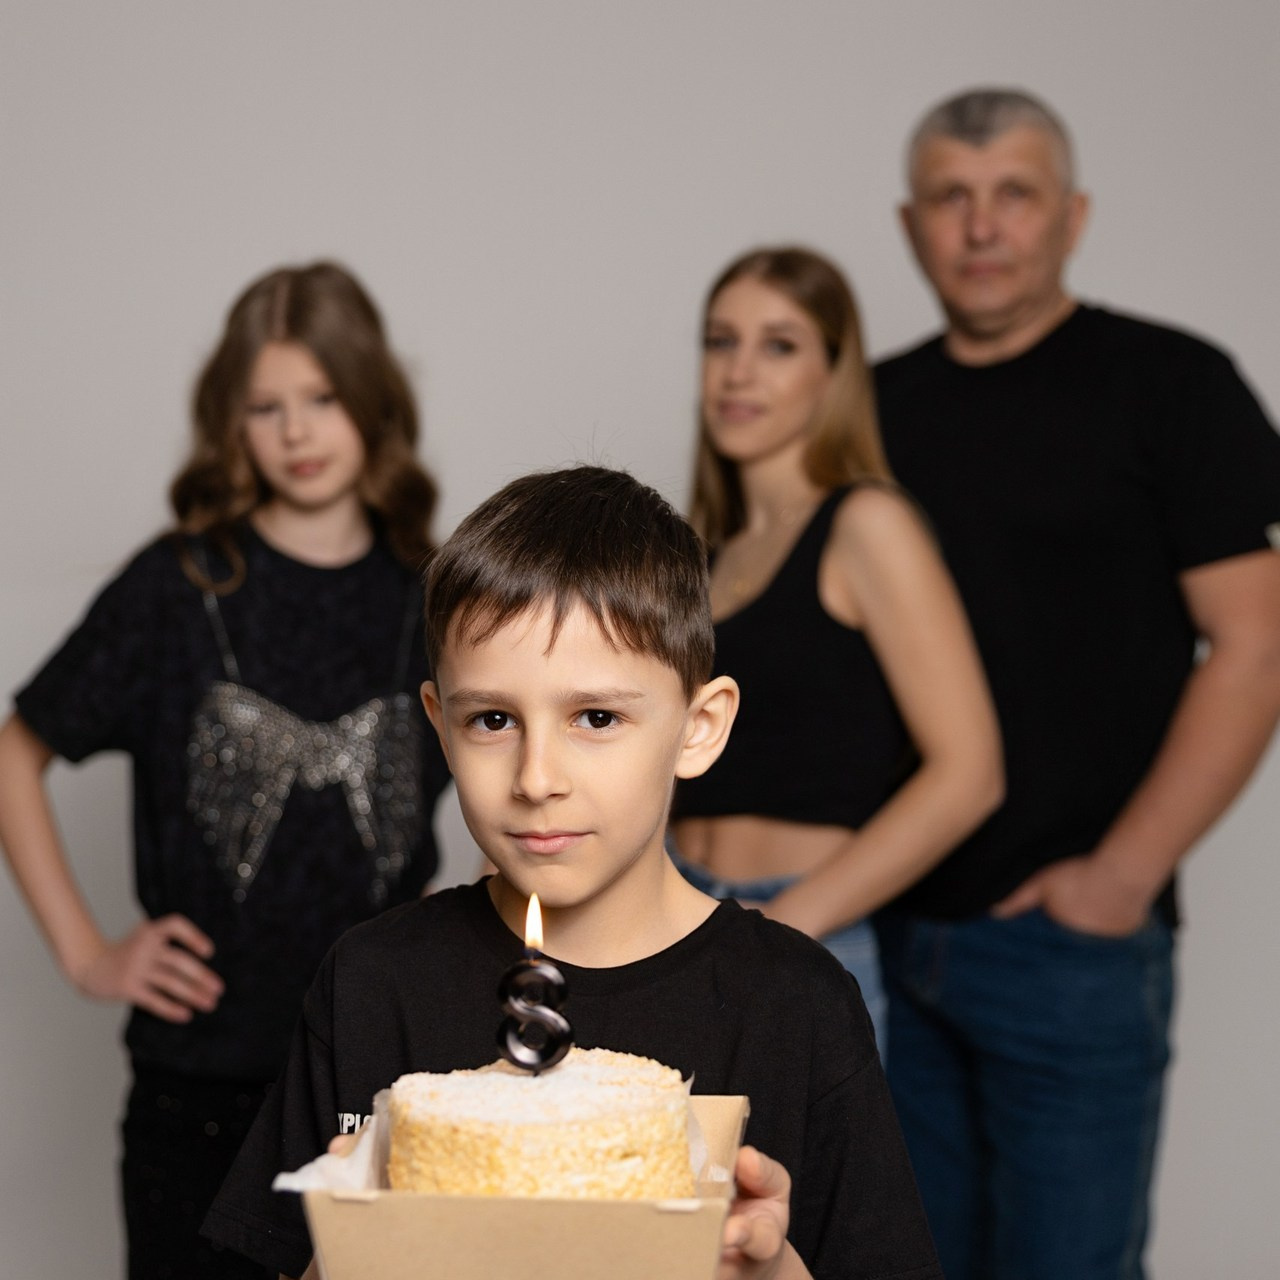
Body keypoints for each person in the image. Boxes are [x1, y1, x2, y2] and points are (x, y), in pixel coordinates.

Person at [203, 465, 944, 1280]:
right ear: (438, 730)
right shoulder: (372, 983)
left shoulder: (794, 1004)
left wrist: (767, 1270)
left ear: (699, 729)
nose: (536, 776)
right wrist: (357, 1242)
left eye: (596, 717)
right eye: (492, 719)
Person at [873, 87, 1280, 1280]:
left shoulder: (1171, 383)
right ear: (909, 226)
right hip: (886, 934)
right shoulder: (869, 410)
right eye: (951, 197)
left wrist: (1120, 876)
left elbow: (1253, 646)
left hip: (1069, 950)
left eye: (1014, 195)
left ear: (1072, 215)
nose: (981, 226)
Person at [0, 261, 452, 1280]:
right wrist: (85, 953)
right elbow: (13, 751)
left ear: (372, 401)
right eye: (265, 407)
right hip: (197, 1093)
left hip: (384, 1084)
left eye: (322, 398)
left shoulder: (431, 595)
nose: (295, 430)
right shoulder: (177, 587)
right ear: (231, 423)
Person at [669, 246, 1003, 1051]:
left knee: (796, 1181)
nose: (739, 372)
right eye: (722, 341)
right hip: (676, 918)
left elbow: (970, 774)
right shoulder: (700, 554)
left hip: (803, 923)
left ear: (833, 374)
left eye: (779, 345)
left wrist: (788, 927)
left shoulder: (866, 525)